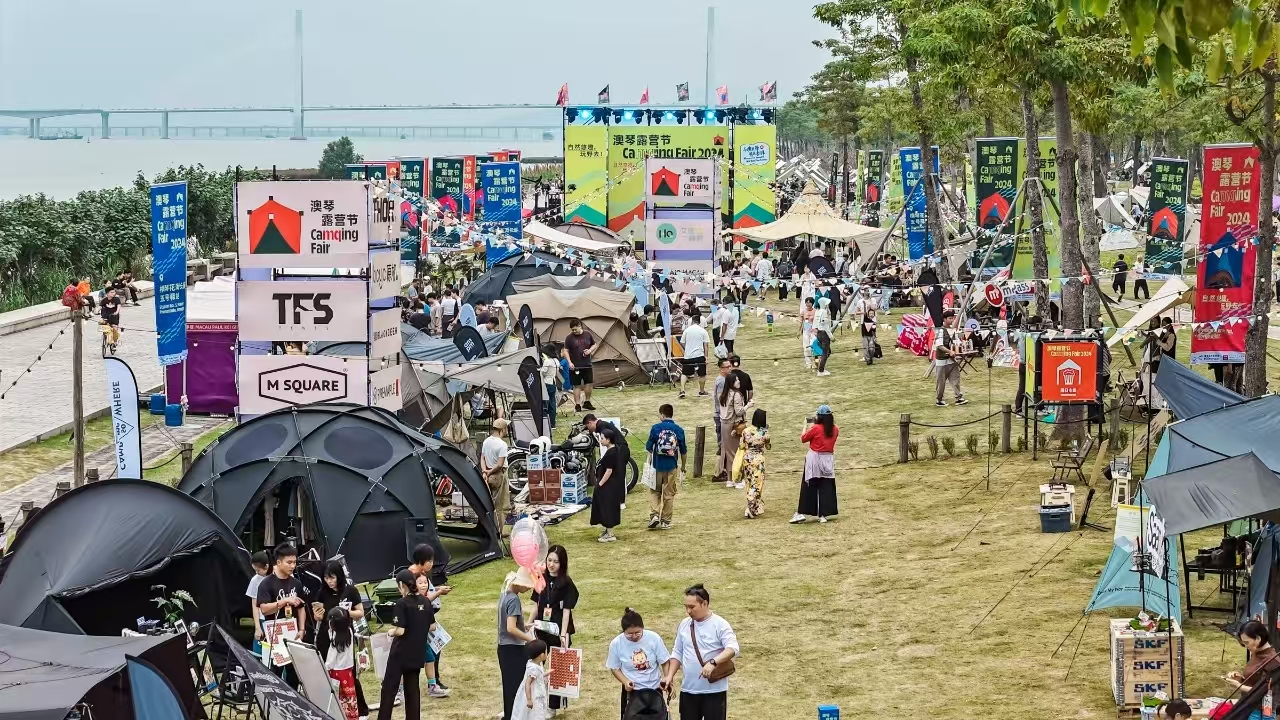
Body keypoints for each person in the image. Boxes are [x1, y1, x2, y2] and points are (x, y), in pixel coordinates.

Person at [662, 584, 740, 720]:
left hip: (715, 691)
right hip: (688, 690)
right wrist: (669, 676)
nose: (688, 611)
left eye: (692, 607)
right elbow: (677, 652)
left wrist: (713, 662)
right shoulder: (684, 624)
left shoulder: (720, 624)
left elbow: (733, 648)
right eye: (686, 607)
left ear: (705, 603)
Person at [377, 570, 435, 720]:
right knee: (412, 690)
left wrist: (391, 632)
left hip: (400, 652)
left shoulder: (402, 603)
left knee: (389, 688)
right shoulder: (426, 601)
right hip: (417, 651)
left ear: (402, 585)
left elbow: (400, 630)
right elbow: (432, 626)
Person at [531, 545, 578, 712]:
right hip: (541, 628)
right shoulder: (540, 578)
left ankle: (553, 707)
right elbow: (536, 604)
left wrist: (563, 634)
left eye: (556, 562)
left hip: (558, 629)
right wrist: (529, 623)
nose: (551, 564)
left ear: (562, 563)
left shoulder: (567, 583)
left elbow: (566, 611)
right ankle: (531, 700)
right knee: (534, 665)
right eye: (549, 560)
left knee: (557, 668)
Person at [607, 608, 673, 720]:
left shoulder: (653, 638)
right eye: (629, 634)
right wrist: (625, 681)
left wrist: (667, 679)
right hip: (633, 692)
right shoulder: (616, 643)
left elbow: (665, 661)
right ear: (623, 631)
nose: (634, 636)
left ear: (643, 628)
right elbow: (614, 668)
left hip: (654, 689)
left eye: (637, 632)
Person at [256, 543, 308, 684]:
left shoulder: (296, 583)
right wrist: (284, 601)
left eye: (294, 562)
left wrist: (302, 629)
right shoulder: (266, 584)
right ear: (278, 562)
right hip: (274, 635)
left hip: (293, 633)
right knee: (275, 674)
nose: (292, 566)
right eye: (289, 562)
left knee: (294, 674)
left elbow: (301, 607)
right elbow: (264, 609)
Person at [498, 567, 538, 720]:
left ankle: (509, 715)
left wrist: (523, 626)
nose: (528, 589)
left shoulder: (504, 594)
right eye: (527, 586)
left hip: (503, 647)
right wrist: (530, 639)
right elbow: (511, 628)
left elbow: (508, 623)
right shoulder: (514, 599)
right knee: (517, 686)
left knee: (509, 685)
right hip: (513, 648)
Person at [791, 406, 839, 524]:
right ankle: (823, 514)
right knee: (826, 486)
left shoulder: (816, 428)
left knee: (809, 486)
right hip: (827, 459)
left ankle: (802, 512)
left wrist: (805, 426)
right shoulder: (835, 429)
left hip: (814, 460)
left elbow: (803, 438)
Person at [645, 403, 688, 529]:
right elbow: (683, 452)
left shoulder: (655, 428)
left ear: (662, 415)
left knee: (654, 491)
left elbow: (649, 447)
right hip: (671, 466)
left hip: (657, 465)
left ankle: (654, 515)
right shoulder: (679, 430)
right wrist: (683, 466)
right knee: (669, 494)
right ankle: (665, 521)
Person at [324, 607, 360, 720]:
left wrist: (324, 669)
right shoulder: (349, 631)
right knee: (349, 698)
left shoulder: (335, 640)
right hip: (347, 672)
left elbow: (330, 661)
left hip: (336, 673)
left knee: (337, 698)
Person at [1226, 620, 1280, 695]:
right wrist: (1240, 679)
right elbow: (1255, 681)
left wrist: (1240, 686)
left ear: (1258, 639)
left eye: (1246, 642)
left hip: (1257, 702)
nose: (1245, 646)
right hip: (1247, 700)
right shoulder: (1256, 652)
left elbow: (1268, 691)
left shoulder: (1272, 661)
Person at [591, 427, 626, 542]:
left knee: (608, 507)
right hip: (612, 484)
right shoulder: (615, 450)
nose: (600, 441)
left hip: (609, 485)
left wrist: (600, 484)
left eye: (602, 438)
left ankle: (610, 534)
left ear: (608, 439)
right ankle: (607, 530)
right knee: (606, 506)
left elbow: (609, 471)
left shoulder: (612, 452)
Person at [717, 371, 747, 488]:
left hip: (724, 425)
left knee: (728, 452)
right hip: (733, 425)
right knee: (736, 453)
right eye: (736, 380)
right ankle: (738, 479)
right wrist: (748, 406)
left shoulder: (723, 394)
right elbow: (739, 411)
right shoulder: (736, 395)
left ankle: (730, 479)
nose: (739, 382)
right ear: (732, 382)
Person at [481, 419, 511, 536]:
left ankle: (489, 529)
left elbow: (482, 458)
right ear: (502, 429)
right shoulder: (502, 444)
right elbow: (499, 464)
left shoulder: (486, 441)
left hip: (488, 475)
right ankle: (498, 532)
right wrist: (489, 472)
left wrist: (485, 472)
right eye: (506, 428)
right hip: (498, 475)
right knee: (501, 505)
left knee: (489, 503)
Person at [933, 310, 966, 407]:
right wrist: (949, 351)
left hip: (951, 360)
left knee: (955, 378)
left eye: (953, 318)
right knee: (941, 381)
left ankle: (959, 397)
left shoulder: (953, 330)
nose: (952, 320)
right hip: (942, 360)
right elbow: (939, 346)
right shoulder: (940, 331)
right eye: (950, 318)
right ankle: (939, 400)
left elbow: (956, 342)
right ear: (944, 319)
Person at [741, 409, 770, 519]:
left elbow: (741, 445)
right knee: (757, 484)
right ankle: (750, 508)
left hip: (747, 459)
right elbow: (768, 446)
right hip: (758, 461)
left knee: (749, 482)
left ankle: (754, 507)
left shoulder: (746, 431)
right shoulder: (764, 433)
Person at [564, 319, 597, 411]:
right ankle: (577, 405)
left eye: (575, 329)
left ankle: (587, 402)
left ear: (580, 326)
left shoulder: (588, 334)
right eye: (572, 330)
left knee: (589, 383)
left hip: (587, 365)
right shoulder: (569, 338)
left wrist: (589, 351)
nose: (574, 331)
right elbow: (565, 351)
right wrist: (569, 362)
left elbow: (594, 345)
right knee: (576, 385)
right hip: (575, 366)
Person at [513, 639, 550, 720]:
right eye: (546, 651)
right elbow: (528, 683)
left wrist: (547, 673)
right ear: (542, 655)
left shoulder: (534, 663)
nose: (547, 653)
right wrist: (529, 699)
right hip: (534, 695)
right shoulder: (533, 668)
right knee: (535, 713)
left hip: (536, 693)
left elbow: (537, 676)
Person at [679, 311, 711, 399]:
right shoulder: (703, 331)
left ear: (692, 321)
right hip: (699, 355)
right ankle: (702, 390)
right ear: (699, 322)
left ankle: (682, 390)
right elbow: (706, 345)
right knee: (702, 374)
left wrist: (687, 348)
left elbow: (682, 342)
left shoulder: (686, 330)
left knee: (685, 373)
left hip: (688, 356)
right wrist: (706, 357)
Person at [246, 551, 271, 652]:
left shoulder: (276, 577)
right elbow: (254, 604)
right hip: (262, 619)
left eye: (258, 570)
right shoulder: (255, 580)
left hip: (275, 619)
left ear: (267, 566)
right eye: (255, 570)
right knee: (259, 649)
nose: (256, 573)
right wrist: (257, 627)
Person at [711, 358, 731, 453]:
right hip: (721, 414)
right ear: (721, 369)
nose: (730, 368)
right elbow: (720, 399)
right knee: (723, 441)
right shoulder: (722, 381)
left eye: (730, 366)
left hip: (720, 413)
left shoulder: (724, 379)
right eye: (727, 367)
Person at [540, 344, 562, 429]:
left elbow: (543, 372)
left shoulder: (547, 361)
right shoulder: (556, 361)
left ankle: (545, 422)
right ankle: (552, 423)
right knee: (552, 404)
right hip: (553, 383)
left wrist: (539, 369)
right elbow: (556, 373)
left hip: (547, 383)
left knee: (545, 403)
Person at [813, 296, 834, 376]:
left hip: (819, 333)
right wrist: (831, 336)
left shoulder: (817, 311)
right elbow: (825, 325)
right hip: (824, 333)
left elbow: (815, 324)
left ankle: (821, 366)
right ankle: (821, 370)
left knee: (827, 351)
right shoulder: (824, 312)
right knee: (825, 352)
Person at [800, 297, 816, 369]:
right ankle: (808, 363)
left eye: (809, 302)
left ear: (812, 303)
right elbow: (801, 322)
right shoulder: (803, 312)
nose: (808, 304)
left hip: (813, 331)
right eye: (807, 302)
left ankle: (815, 362)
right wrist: (799, 331)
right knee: (806, 347)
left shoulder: (815, 311)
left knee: (813, 347)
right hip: (806, 331)